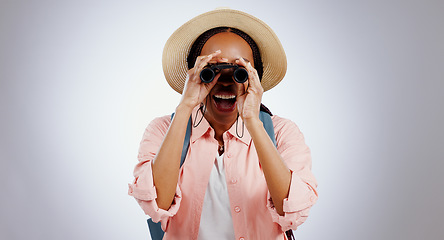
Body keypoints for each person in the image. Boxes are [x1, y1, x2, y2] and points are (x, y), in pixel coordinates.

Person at [128, 8, 318, 240]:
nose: (226, 83)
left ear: (254, 76)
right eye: (211, 70)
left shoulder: (281, 132)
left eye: (240, 72)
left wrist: (253, 121)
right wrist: (185, 106)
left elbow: (293, 211)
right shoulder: (162, 130)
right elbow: (156, 205)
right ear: (194, 73)